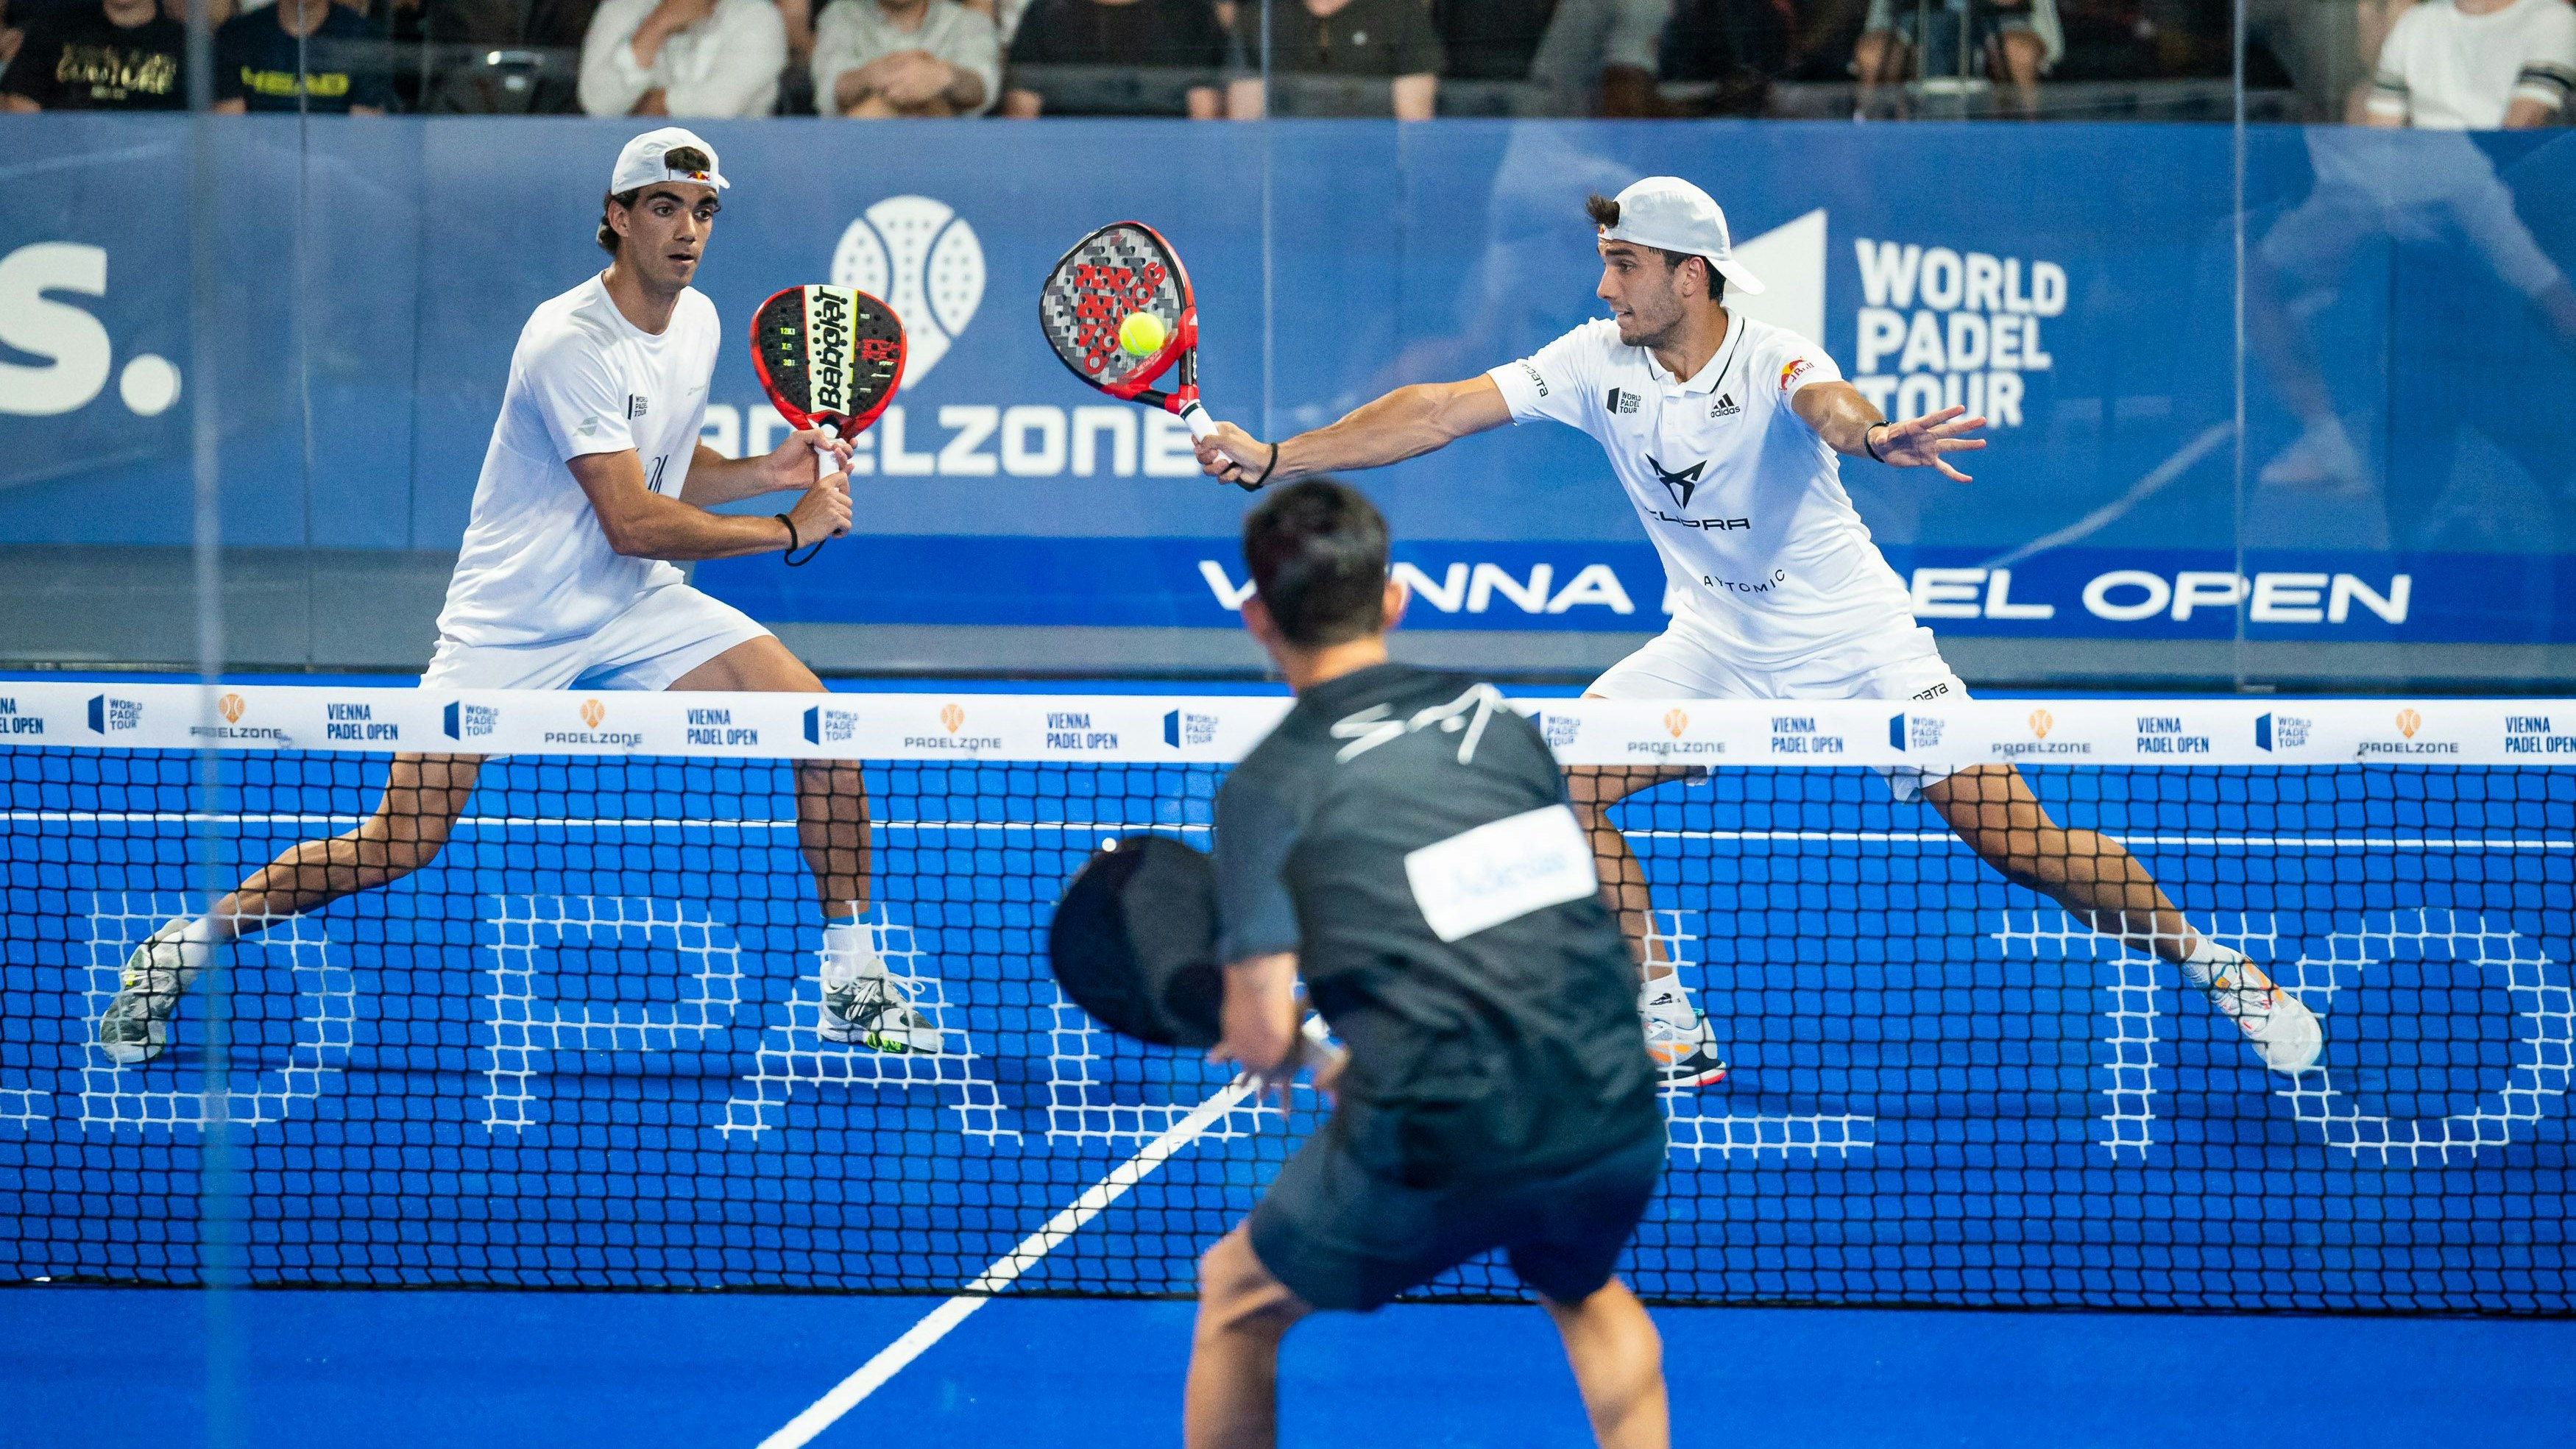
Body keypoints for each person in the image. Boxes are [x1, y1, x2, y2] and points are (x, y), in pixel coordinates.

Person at [1195, 176, 2325, 1088]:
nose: (1604, 286)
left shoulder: (1777, 353)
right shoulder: (1594, 361)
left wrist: (1874, 439)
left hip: (1859, 647)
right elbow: (1437, 409)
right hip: (1714, 647)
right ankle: (1665, 1013)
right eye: (1605, 263)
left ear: (1689, 274)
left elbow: (1828, 406)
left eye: (1624, 265)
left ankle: (2220, 969)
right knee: (1563, 781)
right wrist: (1279, 455)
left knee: (2020, 845)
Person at [96, 127, 938, 1069]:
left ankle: (851, 980)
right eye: (663, 207)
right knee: (398, 842)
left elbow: (663, 468)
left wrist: (764, 472)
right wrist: (790, 529)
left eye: (702, 211)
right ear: (616, 220)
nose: (687, 230)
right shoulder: (567, 339)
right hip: (515, 620)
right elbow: (629, 515)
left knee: (819, 731)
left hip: (635, 603)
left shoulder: (696, 322)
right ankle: (181, 948)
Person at [1190, 478, 1671, 1449]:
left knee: (1235, 1297)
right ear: (1394, 599)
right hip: (1611, 1093)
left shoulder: (1268, 786)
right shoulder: (1494, 717)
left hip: (1443, 1130)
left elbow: (1262, 1034)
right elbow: (1535, 932)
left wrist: (1271, 1039)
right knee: (1586, 1292)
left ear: (1254, 618)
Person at [2253, 0, 2576, 492]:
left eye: (2381, 6)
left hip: (2474, 346)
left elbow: (2540, 280)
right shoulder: (2370, 130)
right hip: (2415, 357)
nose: (2367, 15)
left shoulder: (2458, 158)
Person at [1000, 0, 1227, 117]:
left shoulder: (1192, 14)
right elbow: (1021, 117)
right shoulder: (1047, 12)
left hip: (1168, 183)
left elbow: (1204, 119)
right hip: (1066, 181)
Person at [1225, 0, 1442, 120]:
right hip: (1286, 174)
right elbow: (1246, 127)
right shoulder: (1260, 14)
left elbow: (1415, 125)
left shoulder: (1400, 11)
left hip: (1372, 171)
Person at [578, 0, 790, 117]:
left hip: (734, 168)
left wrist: (639, 108)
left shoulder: (758, 16)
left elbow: (717, 109)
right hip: (635, 171)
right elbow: (598, 104)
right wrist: (657, 26)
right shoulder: (622, 8)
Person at [1853, 0, 2052, 118]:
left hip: (1997, 22)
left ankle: (2028, 144)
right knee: (1874, 55)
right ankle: (1871, 143)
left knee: (2019, 52)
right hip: (1908, 21)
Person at [810, 0, 999, 116]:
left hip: (950, 159)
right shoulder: (840, 15)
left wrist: (944, 76)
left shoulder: (967, 21)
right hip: (858, 158)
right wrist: (870, 77)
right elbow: (828, 93)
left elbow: (984, 89)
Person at [213, 0, 394, 114]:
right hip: (257, 171)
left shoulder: (367, 37)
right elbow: (230, 137)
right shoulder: (236, 35)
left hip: (339, 172)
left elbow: (364, 141)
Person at [0, 0, 185, 110]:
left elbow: (207, 134)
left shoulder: (189, 47)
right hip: (64, 168)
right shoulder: (53, 31)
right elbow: (21, 119)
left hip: (153, 169)